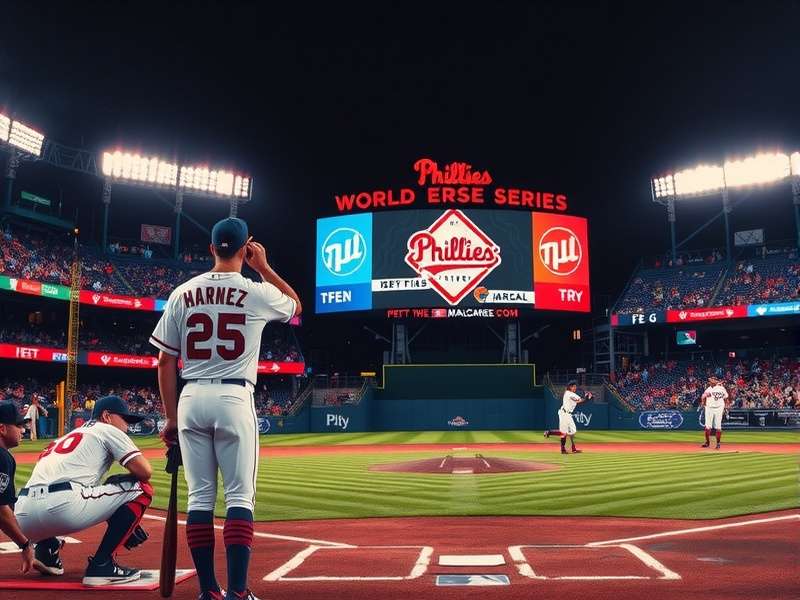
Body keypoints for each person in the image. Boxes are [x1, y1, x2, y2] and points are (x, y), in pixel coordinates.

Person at [150, 217, 301, 600]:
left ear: (211, 249)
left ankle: (208, 591)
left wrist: (170, 418)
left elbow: (165, 361)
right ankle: (237, 592)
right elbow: (296, 306)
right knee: (238, 497)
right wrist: (263, 267)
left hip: (190, 398)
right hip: (234, 396)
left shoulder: (183, 292)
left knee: (200, 498)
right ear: (245, 248)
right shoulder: (256, 291)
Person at [14, 395, 154, 585]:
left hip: (23, 517)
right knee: (141, 488)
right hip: (62, 507)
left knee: (76, 492)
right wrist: (124, 521)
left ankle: (46, 551)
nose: (127, 427)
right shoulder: (107, 429)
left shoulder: (67, 436)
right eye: (125, 419)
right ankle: (102, 565)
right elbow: (145, 472)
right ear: (107, 416)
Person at [0, 402, 33, 575]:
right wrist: (25, 545)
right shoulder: (2, 457)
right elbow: (1, 511)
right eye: (18, 425)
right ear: (2, 429)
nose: (23, 430)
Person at [543, 380, 593, 454]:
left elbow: (580, 400)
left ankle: (549, 433)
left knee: (572, 431)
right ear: (570, 387)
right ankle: (564, 449)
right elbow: (579, 400)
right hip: (564, 414)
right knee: (564, 433)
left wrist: (587, 398)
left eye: (575, 386)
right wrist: (587, 397)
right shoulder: (568, 393)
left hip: (568, 415)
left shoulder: (573, 394)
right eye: (573, 386)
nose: (575, 388)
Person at [700, 376, 729, 449]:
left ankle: (718, 443)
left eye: (712, 380)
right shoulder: (708, 389)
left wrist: (726, 407)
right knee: (707, 428)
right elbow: (703, 397)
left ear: (716, 381)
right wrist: (704, 403)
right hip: (709, 408)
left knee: (718, 427)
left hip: (719, 408)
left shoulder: (721, 388)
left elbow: (726, 397)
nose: (710, 382)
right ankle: (707, 442)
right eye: (710, 381)